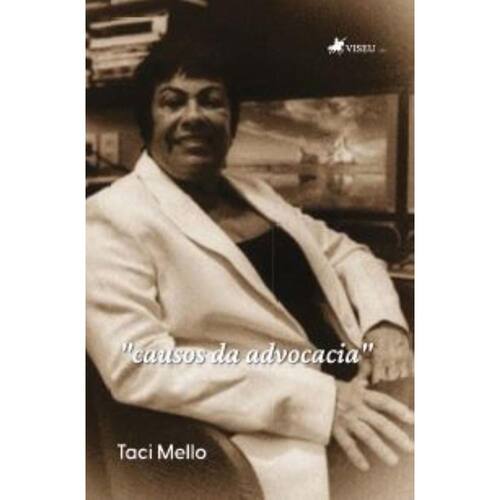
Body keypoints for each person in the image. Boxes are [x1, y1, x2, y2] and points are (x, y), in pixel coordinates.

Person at [86, 38, 414, 499]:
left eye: (211, 100)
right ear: (147, 119)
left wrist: (383, 322)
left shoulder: (254, 191)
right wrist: (319, 401)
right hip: (271, 432)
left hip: (356, 384)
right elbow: (140, 365)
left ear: (231, 121)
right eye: (172, 102)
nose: (194, 116)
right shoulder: (109, 217)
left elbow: (346, 253)